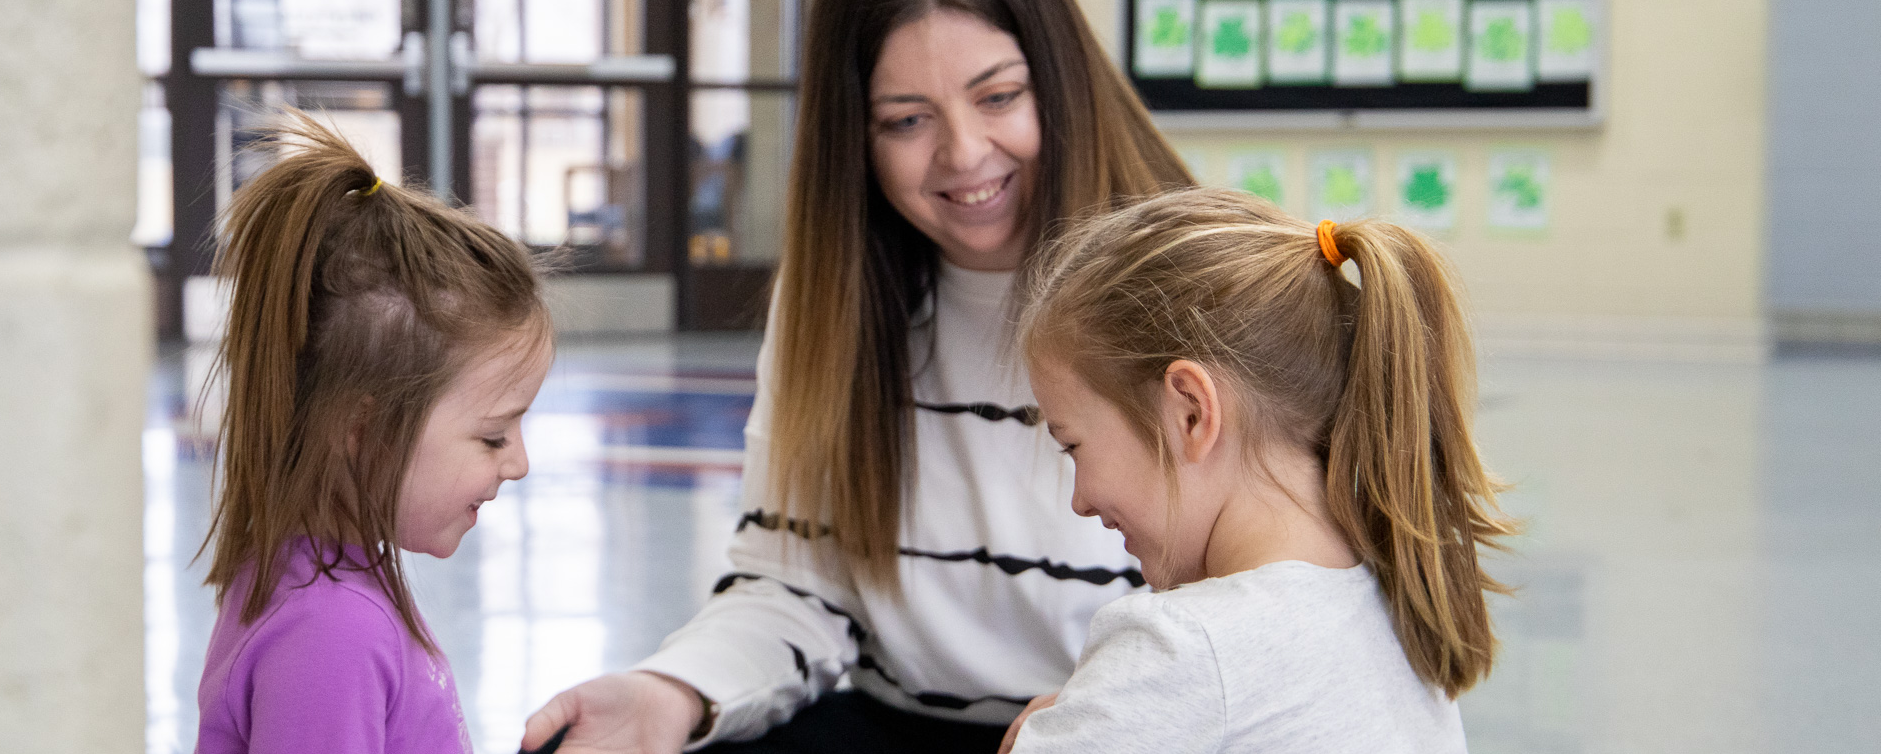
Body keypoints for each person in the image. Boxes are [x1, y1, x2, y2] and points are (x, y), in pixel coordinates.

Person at [520, 0, 1191, 752]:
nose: (964, 153)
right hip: (899, 724)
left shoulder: (1193, 284)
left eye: (998, 97)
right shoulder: (833, 304)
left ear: (1061, 84)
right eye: (907, 121)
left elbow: (1269, 611)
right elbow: (795, 586)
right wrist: (671, 692)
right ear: (857, 139)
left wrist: (1106, 715)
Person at [998, 187, 1518, 753]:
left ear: (1191, 412)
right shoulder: (1396, 602)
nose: (1080, 499)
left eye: (1072, 446)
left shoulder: (1179, 648)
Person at [193, 113, 553, 754]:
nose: (519, 463)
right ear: (364, 430)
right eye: (494, 437)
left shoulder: (324, 583)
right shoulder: (332, 631)